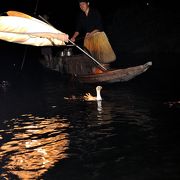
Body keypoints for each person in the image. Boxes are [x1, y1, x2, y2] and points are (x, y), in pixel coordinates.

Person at [70, 0, 116, 64]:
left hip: (98, 36)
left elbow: (99, 27)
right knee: (90, 57)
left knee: (103, 57)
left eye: (83, 4)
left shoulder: (95, 12)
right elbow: (78, 29)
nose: (81, 6)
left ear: (88, 3)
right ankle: (94, 70)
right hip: (88, 37)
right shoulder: (81, 16)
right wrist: (73, 37)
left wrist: (91, 34)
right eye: (80, 5)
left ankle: (106, 69)